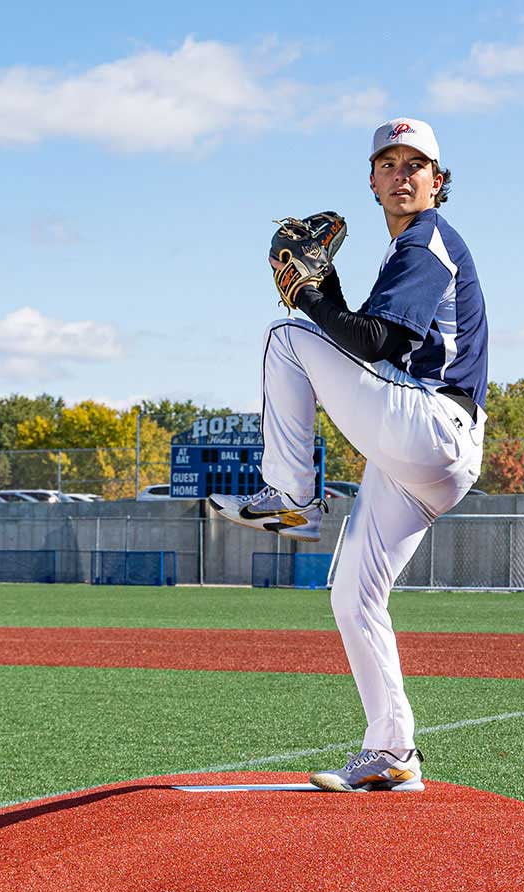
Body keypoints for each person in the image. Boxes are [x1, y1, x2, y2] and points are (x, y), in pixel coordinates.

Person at [210, 117, 488, 793]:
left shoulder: (426, 242)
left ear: (438, 181)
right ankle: (392, 751)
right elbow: (361, 338)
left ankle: (291, 496)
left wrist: (307, 295)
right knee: (353, 596)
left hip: (431, 424)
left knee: (284, 338)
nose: (402, 174)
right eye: (389, 164)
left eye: (415, 164)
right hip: (421, 454)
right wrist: (326, 290)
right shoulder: (406, 252)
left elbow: (368, 344)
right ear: (371, 181)